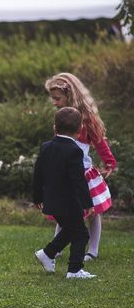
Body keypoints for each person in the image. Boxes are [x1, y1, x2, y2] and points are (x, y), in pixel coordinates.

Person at [45, 72, 117, 262]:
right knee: (64, 210)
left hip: (83, 173)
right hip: (66, 173)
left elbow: (100, 141)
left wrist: (109, 162)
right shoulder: (61, 117)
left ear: (70, 95)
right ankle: (56, 247)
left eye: (57, 98)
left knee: (94, 212)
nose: (54, 102)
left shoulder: (87, 119)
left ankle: (92, 250)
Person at [33, 107, 96, 279]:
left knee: (70, 229)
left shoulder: (46, 147)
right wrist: (88, 203)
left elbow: (37, 173)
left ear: (55, 128)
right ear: (79, 130)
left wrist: (37, 197)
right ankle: (74, 271)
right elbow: (78, 181)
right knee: (81, 234)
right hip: (69, 202)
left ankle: (47, 254)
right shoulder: (74, 151)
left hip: (52, 201)